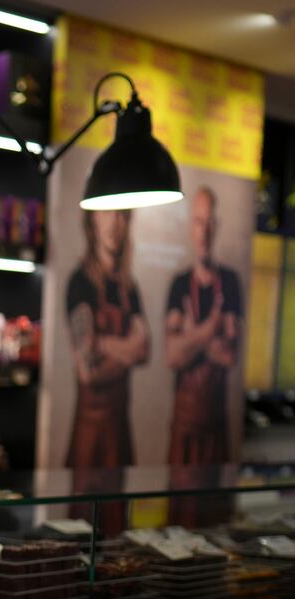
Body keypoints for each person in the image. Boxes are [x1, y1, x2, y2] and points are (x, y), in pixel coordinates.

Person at [64, 208, 149, 470]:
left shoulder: (130, 289)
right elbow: (88, 370)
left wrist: (102, 344)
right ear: (93, 221)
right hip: (89, 434)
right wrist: (127, 351)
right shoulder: (80, 284)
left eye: (121, 214)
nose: (114, 221)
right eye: (107, 213)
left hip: (120, 429)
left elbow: (144, 351)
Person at [164, 187, 241, 465]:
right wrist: (210, 330)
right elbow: (172, 356)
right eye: (198, 222)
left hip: (217, 426)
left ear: (216, 226)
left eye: (209, 222)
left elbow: (230, 355)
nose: (204, 231)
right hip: (184, 426)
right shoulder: (179, 284)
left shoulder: (230, 283)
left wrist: (190, 339)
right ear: (190, 227)